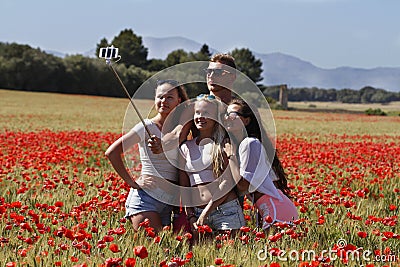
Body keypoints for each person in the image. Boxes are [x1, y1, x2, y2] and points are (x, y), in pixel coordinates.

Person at [105, 79, 189, 232]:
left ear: (179, 100)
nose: (164, 101)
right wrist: (132, 182)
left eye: (169, 97)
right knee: (153, 246)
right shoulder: (146, 127)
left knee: (165, 250)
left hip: (168, 203)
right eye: (160, 97)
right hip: (146, 199)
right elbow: (112, 152)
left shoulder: (182, 127)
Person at [223, 98, 298, 230]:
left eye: (233, 115)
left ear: (246, 120)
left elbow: (242, 186)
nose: (228, 118)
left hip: (275, 209)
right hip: (271, 207)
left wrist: (230, 155)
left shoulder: (250, 143)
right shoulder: (247, 144)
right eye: (226, 114)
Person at [179, 94, 245, 235]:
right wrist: (190, 214)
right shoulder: (185, 147)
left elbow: (227, 182)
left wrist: (206, 212)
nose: (200, 117)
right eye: (197, 113)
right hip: (197, 214)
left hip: (226, 211)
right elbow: (184, 185)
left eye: (206, 113)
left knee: (229, 255)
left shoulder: (223, 144)